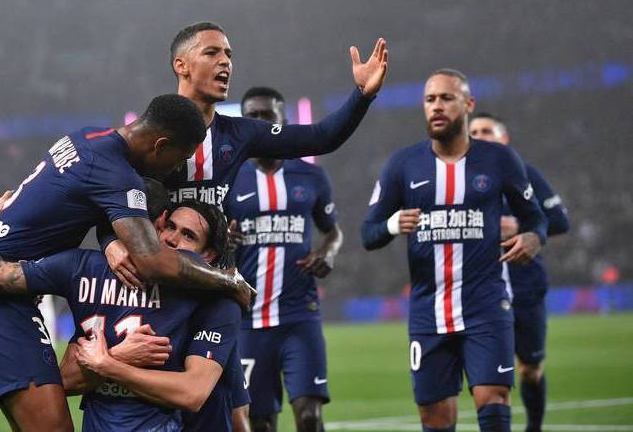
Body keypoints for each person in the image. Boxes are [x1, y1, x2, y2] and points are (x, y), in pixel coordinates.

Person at [100, 21, 389, 429]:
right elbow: (103, 197)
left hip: (215, 292)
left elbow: (320, 137)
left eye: (229, 55)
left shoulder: (238, 133)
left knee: (239, 418)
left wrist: (362, 95)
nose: (226, 63)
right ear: (181, 65)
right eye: (212, 53)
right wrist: (110, 241)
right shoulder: (151, 131)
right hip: (159, 300)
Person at [0, 94, 254, 432]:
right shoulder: (117, 179)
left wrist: (109, 242)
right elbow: (152, 261)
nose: (175, 170)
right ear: (160, 145)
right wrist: (230, 280)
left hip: (7, 288)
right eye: (179, 158)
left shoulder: (90, 139)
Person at [361, 69, 548, 432]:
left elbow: (536, 219)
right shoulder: (403, 164)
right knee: (435, 418)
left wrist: (533, 238)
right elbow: (368, 233)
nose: (437, 106)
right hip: (428, 314)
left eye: (447, 98)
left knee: (494, 401)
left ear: (468, 104)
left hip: (487, 307)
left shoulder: (500, 160)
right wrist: (391, 225)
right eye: (430, 99)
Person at [0, 189, 242, 431]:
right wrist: (116, 357)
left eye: (188, 235)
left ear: (207, 256)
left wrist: (108, 364)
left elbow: (192, 393)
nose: (171, 238)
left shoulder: (214, 302)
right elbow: (63, 383)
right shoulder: (84, 269)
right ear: (157, 224)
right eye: (170, 226)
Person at [221, 86, 343, 432]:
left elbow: (333, 231)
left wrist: (328, 252)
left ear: (283, 121)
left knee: (310, 416)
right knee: (259, 422)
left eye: (267, 116)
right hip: (248, 319)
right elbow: (206, 238)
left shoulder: (311, 175)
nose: (260, 123)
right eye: (252, 117)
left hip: (299, 316)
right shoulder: (229, 178)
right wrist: (221, 237)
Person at [469, 112, 570, 432]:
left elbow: (560, 220)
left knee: (530, 368)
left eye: (487, 130)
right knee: (491, 377)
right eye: (474, 131)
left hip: (525, 284)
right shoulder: (457, 180)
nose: (479, 136)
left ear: (504, 138)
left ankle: (534, 428)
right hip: (481, 288)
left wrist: (522, 227)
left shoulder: (526, 174)